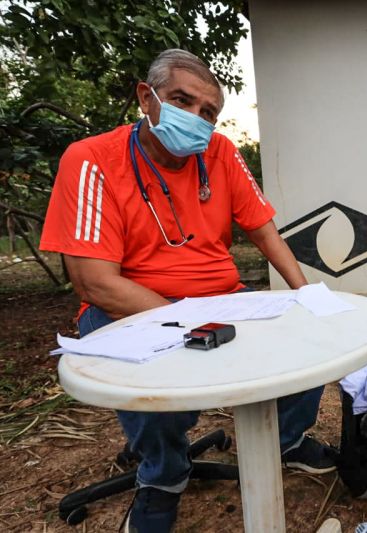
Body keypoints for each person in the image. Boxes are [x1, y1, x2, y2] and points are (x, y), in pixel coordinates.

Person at [39, 49, 336, 532]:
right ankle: (163, 474)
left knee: (308, 339)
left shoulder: (220, 153)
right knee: (152, 377)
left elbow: (263, 231)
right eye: (182, 101)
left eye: (209, 112)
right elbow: (96, 282)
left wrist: (306, 296)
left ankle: (284, 439)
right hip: (128, 303)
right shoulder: (91, 159)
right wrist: (186, 322)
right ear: (146, 97)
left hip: (221, 293)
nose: (197, 118)